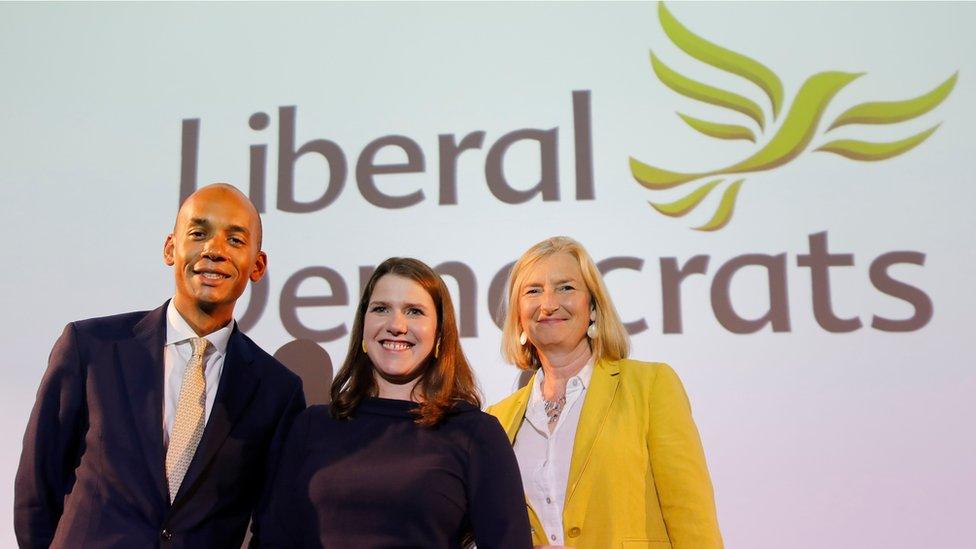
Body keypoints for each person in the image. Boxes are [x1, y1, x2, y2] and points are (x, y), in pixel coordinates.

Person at [14, 183, 305, 548]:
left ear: (257, 265)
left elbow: (274, 523)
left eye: (235, 240)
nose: (214, 250)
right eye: (198, 233)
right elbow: (36, 490)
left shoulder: (276, 390)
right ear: (171, 248)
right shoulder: (91, 348)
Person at [258, 257, 531, 548]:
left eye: (414, 312)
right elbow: (275, 539)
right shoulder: (312, 426)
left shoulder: (475, 434)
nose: (396, 325)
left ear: (439, 333)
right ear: (363, 327)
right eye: (381, 309)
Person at [487, 236, 723, 549]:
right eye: (533, 291)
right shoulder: (497, 420)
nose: (548, 304)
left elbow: (692, 518)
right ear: (518, 316)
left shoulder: (651, 386)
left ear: (594, 307)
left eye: (566, 287)